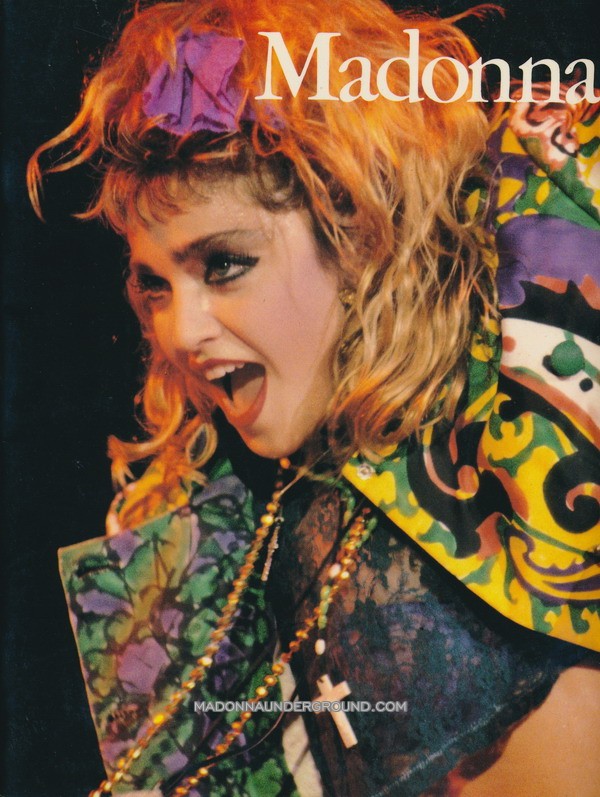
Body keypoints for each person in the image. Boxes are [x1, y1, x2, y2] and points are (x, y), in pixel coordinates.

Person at [28, 0, 600, 795]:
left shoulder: (534, 399)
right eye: (154, 284)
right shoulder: (242, 507)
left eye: (224, 264)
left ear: (359, 227)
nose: (179, 331)